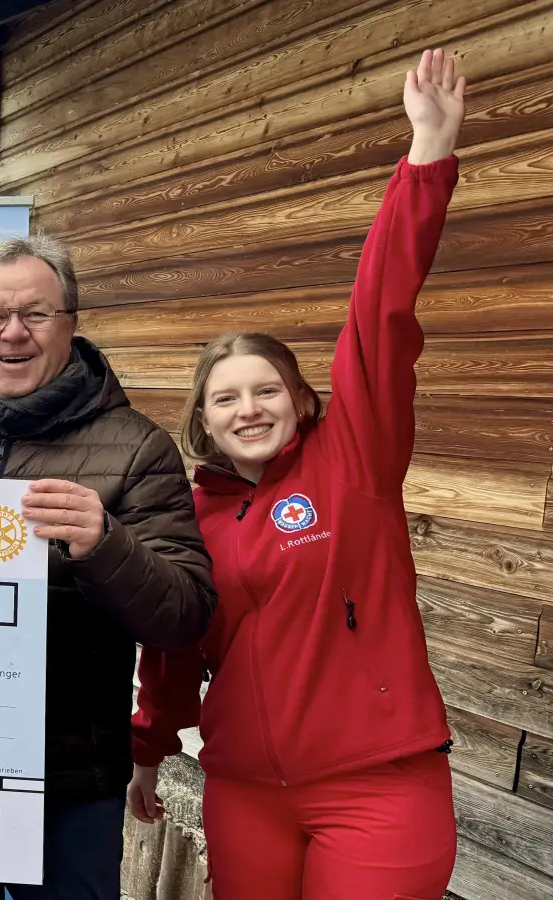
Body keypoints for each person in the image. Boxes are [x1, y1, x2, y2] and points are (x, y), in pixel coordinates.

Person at [127, 48, 465, 900]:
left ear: (302, 399)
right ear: (201, 419)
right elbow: (170, 648)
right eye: (225, 398)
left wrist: (425, 158)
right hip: (244, 791)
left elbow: (381, 314)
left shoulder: (355, 459)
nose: (248, 409)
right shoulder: (189, 515)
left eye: (266, 389)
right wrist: (149, 748)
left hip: (378, 787)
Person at [0, 235, 217, 896]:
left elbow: (184, 615)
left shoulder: (137, 448)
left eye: (36, 315)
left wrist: (107, 546)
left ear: (70, 324)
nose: (14, 334)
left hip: (70, 781)